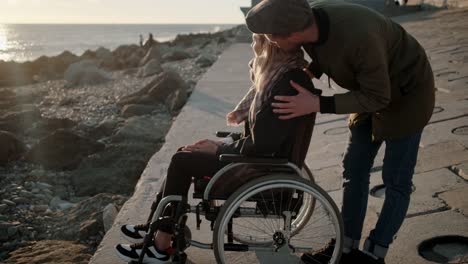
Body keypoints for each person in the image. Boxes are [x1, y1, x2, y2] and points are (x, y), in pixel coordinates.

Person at [244, 0, 435, 263]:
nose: (271, 42)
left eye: (272, 37)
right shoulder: (307, 20)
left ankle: (373, 253)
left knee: (396, 182)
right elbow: (326, 51)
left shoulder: (359, 36)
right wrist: (307, 73)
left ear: (292, 33)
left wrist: (318, 104)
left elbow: (379, 96)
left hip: (407, 95)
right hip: (367, 87)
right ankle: (344, 248)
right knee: (354, 169)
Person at [114, 33, 321, 264]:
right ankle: (159, 225)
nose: (253, 47)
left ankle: (161, 245)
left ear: (268, 48)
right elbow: (262, 136)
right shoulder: (282, 78)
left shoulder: (285, 84)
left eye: (256, 41)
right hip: (259, 160)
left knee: (182, 161)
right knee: (186, 152)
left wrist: (219, 148)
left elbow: (264, 143)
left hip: (259, 168)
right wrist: (223, 144)